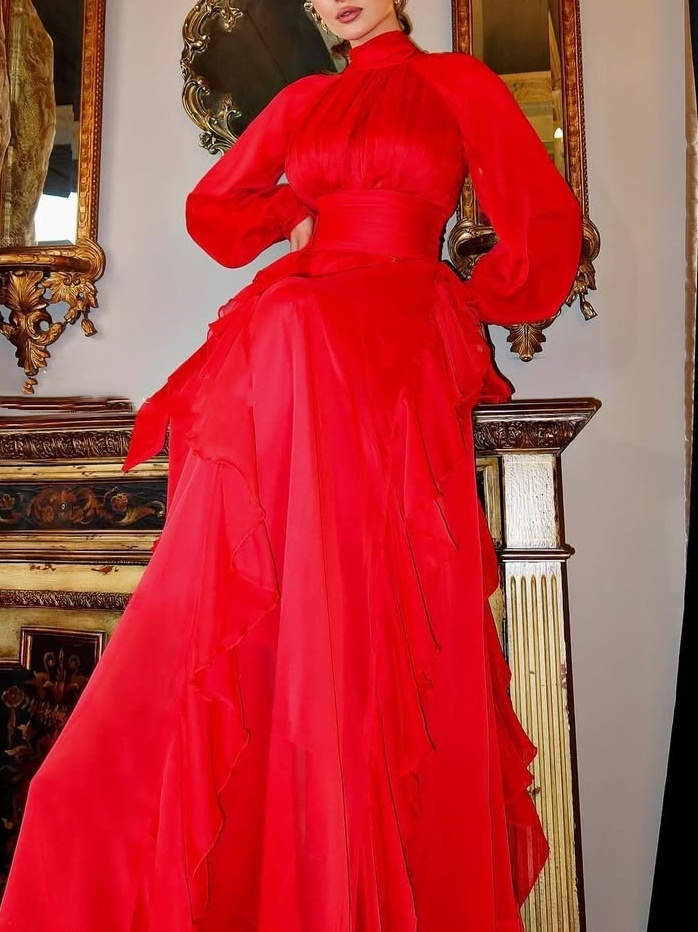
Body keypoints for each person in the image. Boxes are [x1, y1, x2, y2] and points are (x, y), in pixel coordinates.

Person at [0, 1, 582, 929]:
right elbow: (214, 213)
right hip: (305, 337)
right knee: (285, 337)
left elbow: (544, 229)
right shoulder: (305, 101)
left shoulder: (458, 84)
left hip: (396, 336)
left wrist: (461, 302)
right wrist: (294, 217)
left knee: (300, 356)